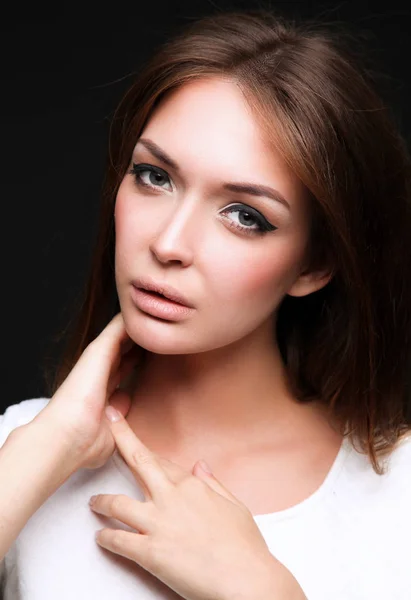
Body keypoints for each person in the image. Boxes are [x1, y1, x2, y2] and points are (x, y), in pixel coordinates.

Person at [1, 7, 411, 600]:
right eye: (153, 176)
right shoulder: (25, 451)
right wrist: (42, 452)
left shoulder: (396, 492)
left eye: (245, 216)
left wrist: (260, 591)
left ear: (316, 264)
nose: (167, 244)